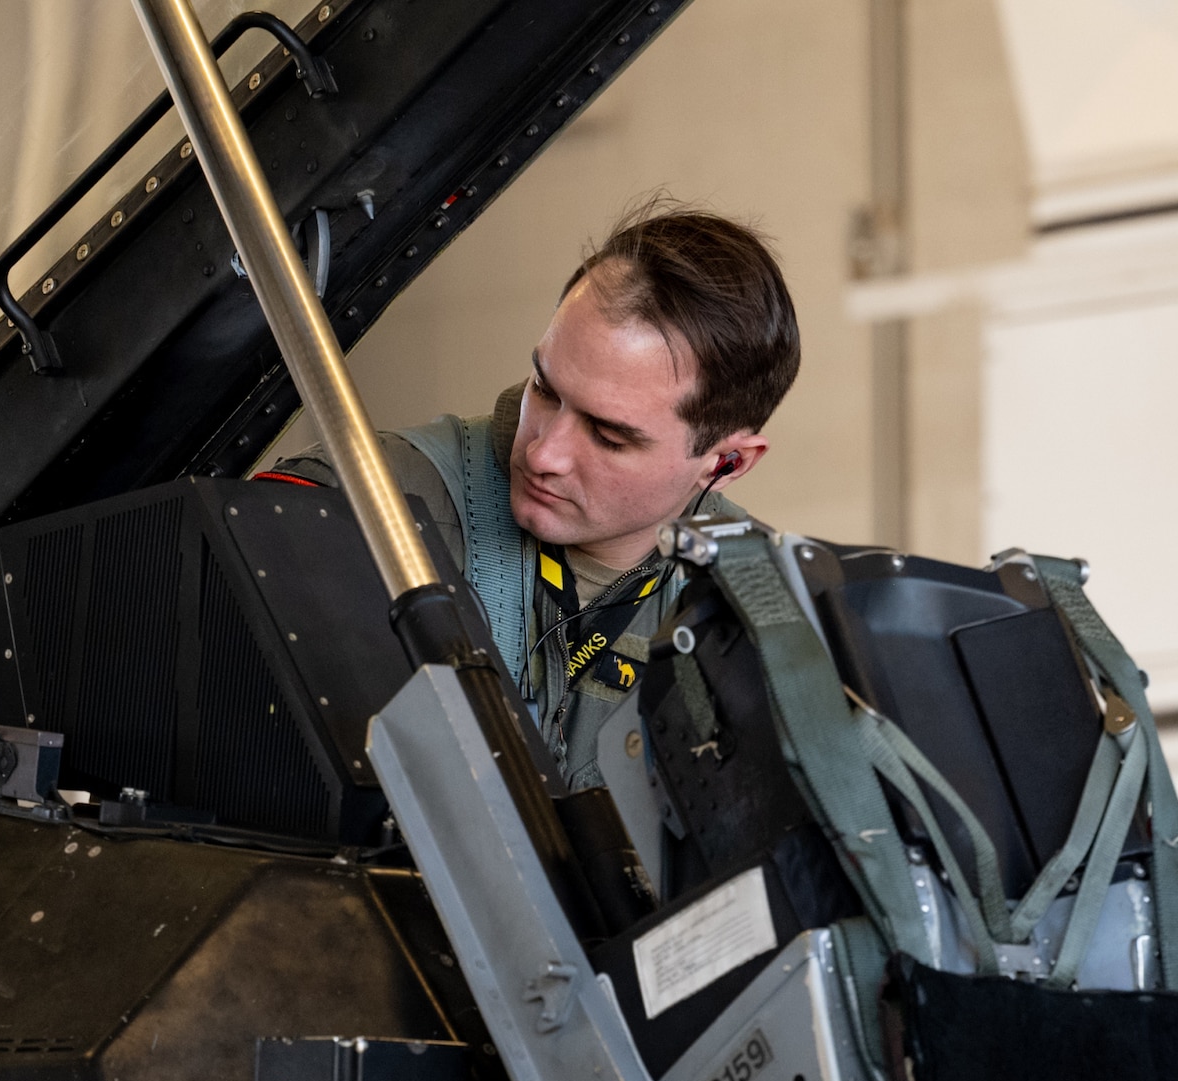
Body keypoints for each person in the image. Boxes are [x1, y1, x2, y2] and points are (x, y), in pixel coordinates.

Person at [272, 199, 801, 790]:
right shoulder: (356, 504)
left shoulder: (766, 618)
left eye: (608, 435)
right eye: (544, 390)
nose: (542, 454)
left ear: (727, 464)